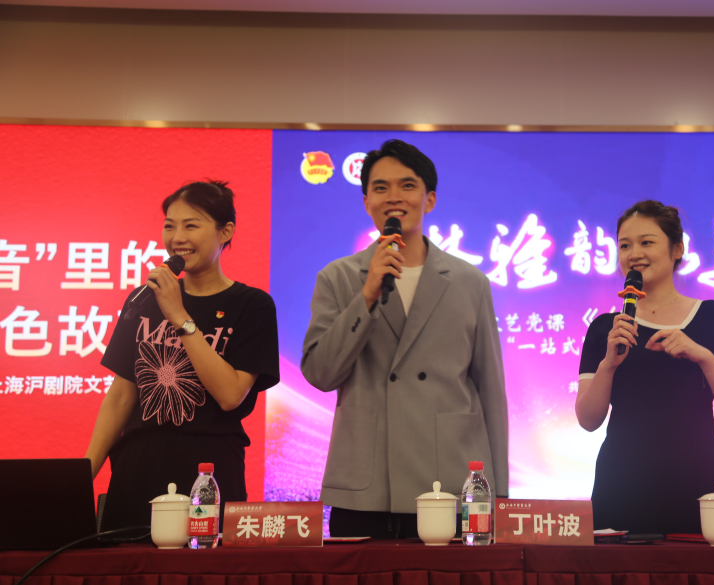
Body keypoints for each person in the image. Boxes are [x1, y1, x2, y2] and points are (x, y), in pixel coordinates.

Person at [302, 139, 508, 539]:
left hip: (450, 478)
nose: (394, 197)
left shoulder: (470, 282)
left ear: (430, 199)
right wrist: (366, 297)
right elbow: (320, 373)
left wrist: (498, 495)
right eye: (380, 188)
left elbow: (491, 392)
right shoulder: (338, 278)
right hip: (366, 483)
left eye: (407, 185)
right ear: (367, 202)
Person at [85, 180, 279, 532]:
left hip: (208, 475)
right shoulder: (144, 299)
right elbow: (121, 397)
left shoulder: (252, 306)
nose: (177, 238)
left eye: (191, 226)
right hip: (137, 469)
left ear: (225, 232)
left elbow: (231, 395)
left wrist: (180, 317)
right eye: (169, 226)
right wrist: (82, 476)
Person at [575, 200, 714, 535]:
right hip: (622, 484)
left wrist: (703, 356)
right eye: (625, 245)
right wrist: (608, 366)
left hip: (699, 480)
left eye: (646, 242)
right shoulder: (606, 328)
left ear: (677, 249)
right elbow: (588, 420)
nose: (634, 254)